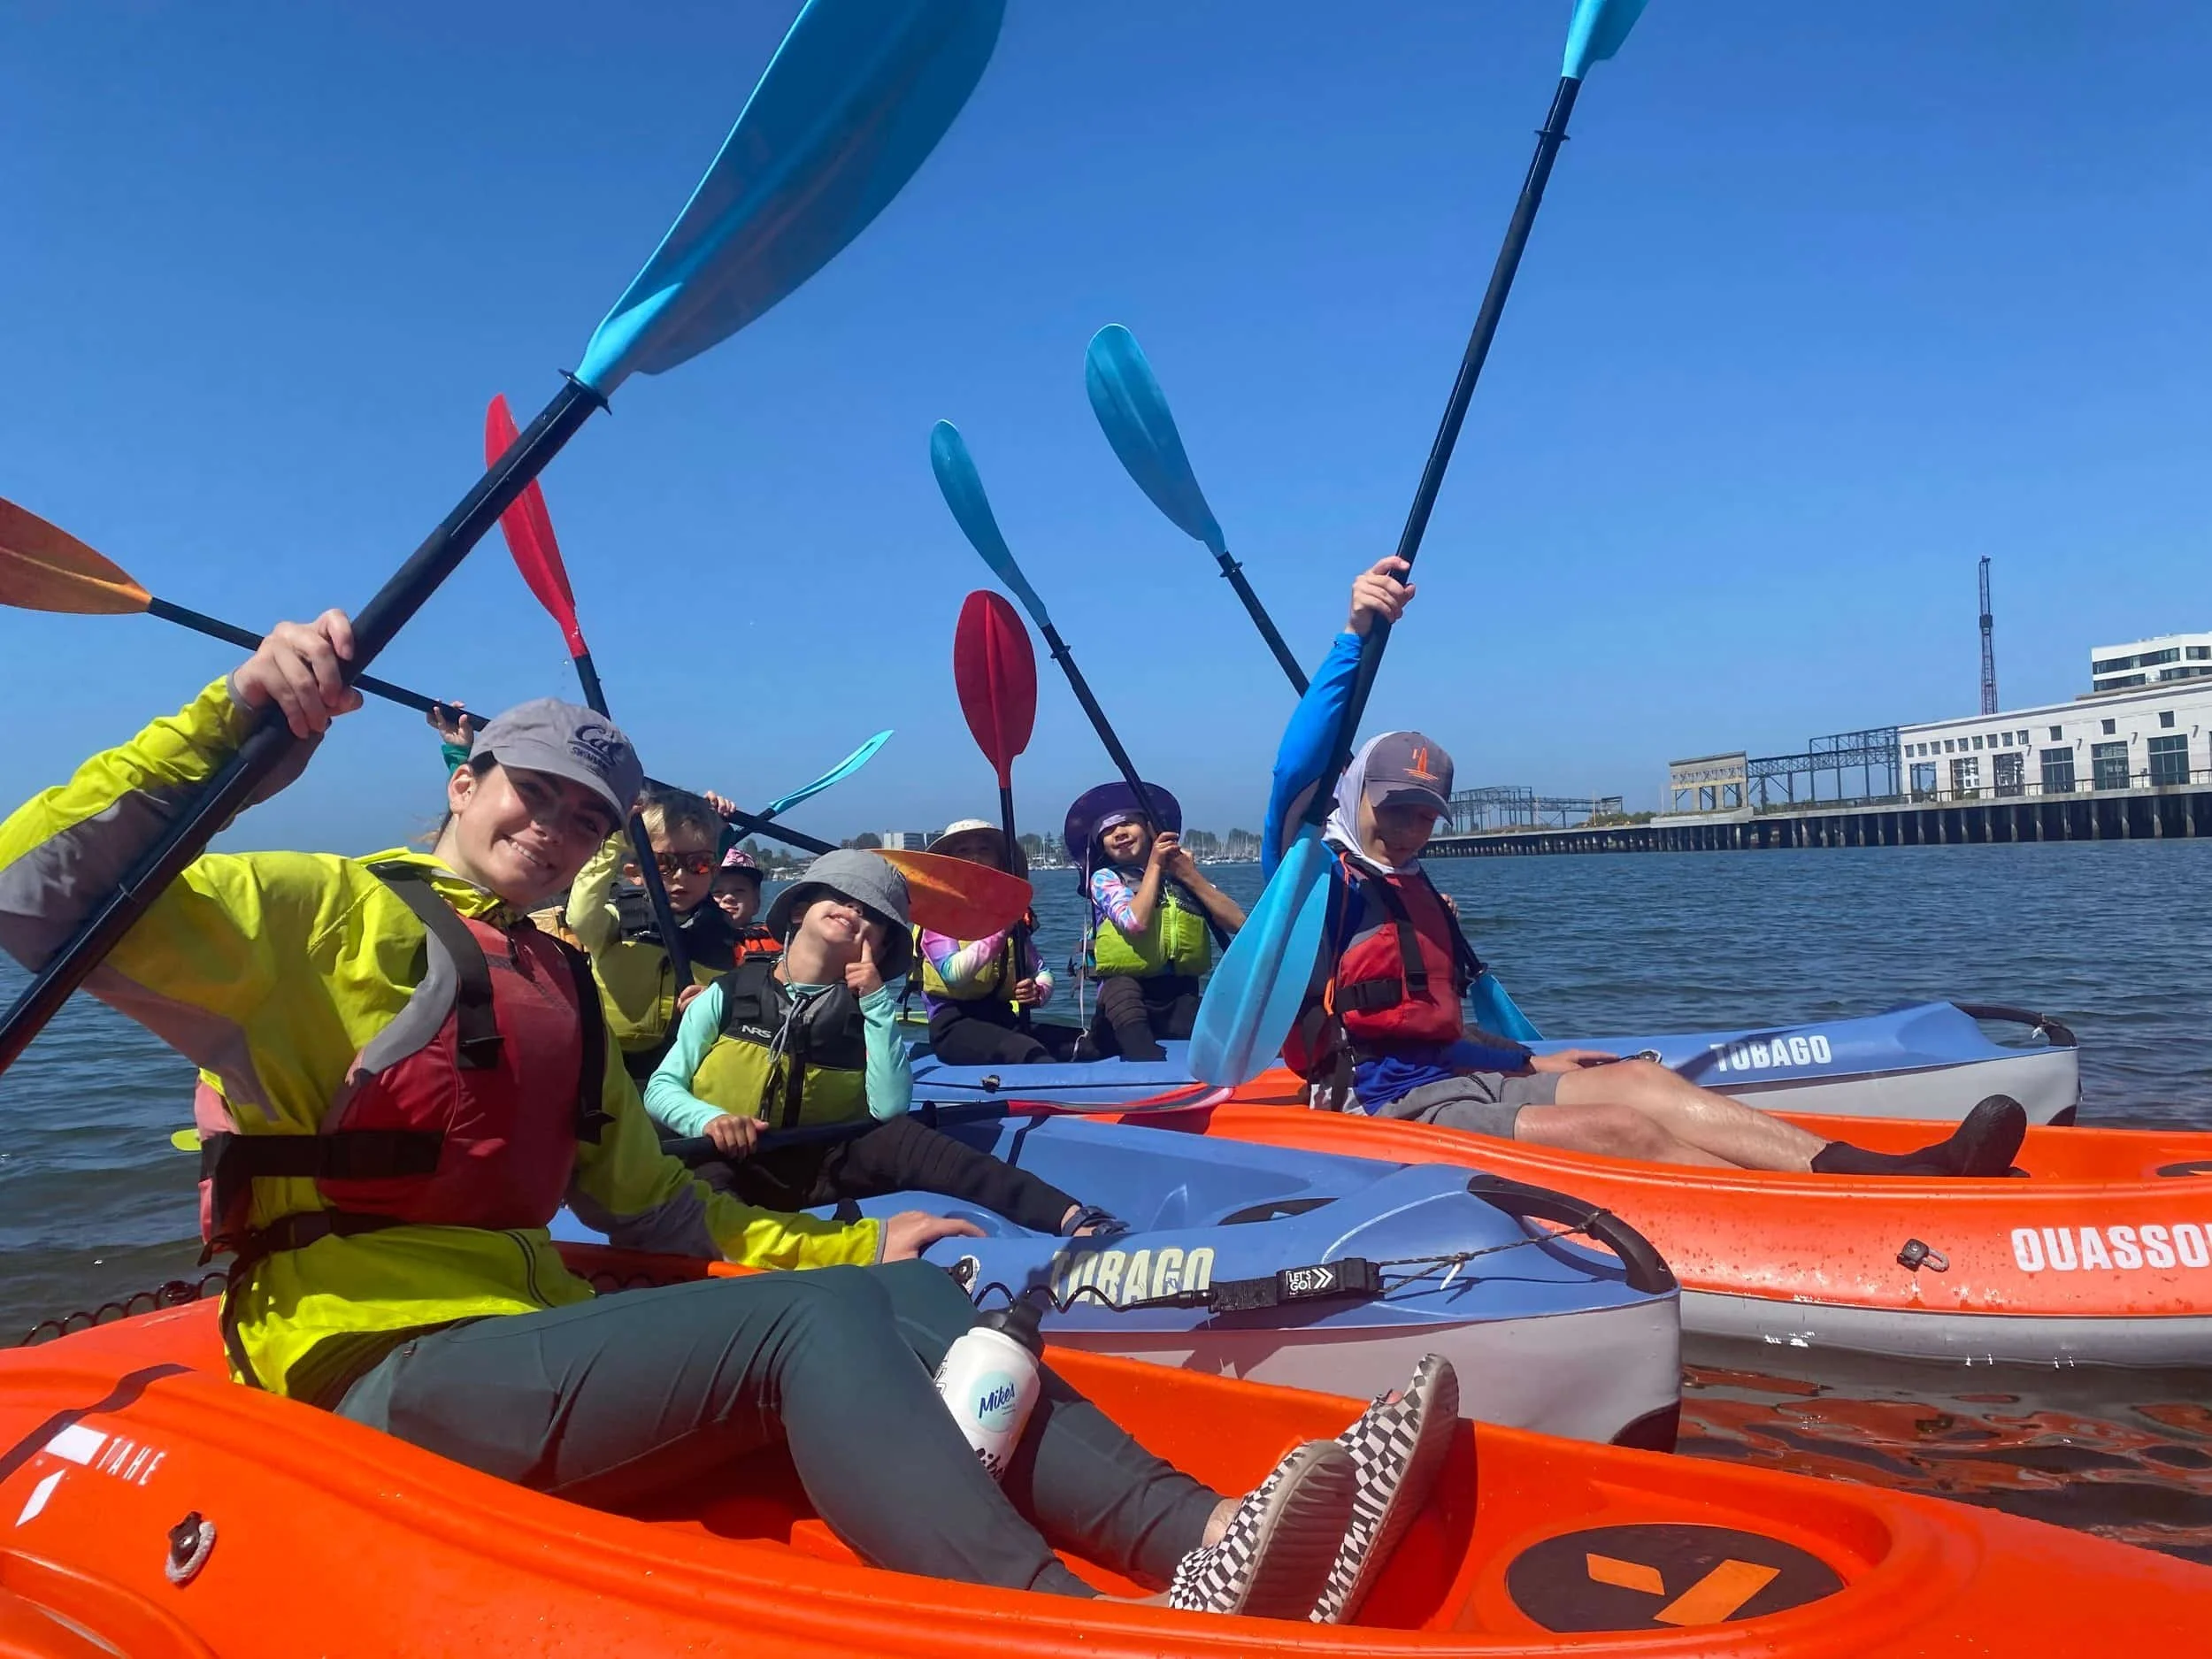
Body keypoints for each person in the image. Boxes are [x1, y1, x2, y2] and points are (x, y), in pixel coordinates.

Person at [0, 611, 1445, 1621]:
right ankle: (1055, 1619)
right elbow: (32, 891)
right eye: (537, 794)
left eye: (584, 819)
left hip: (514, 1337)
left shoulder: (555, 971)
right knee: (805, 1331)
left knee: (929, 1315)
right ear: (466, 780)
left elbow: (667, 1210)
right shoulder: (315, 909)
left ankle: (1208, 1535)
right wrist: (240, 724)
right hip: (369, 1370)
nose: (556, 830)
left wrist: (857, 1261)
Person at [1260, 560, 2028, 1179]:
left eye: (1428, 815)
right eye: (1396, 809)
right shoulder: (1313, 880)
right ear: (1358, 794)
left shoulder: (1415, 886)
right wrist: (1356, 631)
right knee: (1619, 1126)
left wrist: (1526, 1057)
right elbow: (1296, 769)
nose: (1411, 829)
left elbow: (1434, 1031)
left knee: (1645, 1083)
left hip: (1461, 1073)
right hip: (1382, 1109)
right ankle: (1801, 1209)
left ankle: (1888, 1171)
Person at [648, 848, 1125, 1237]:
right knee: (704, 1187)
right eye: (841, 898)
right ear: (798, 910)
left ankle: (1073, 1219)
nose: (855, 911)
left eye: (872, 913)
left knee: (907, 1141)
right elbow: (662, 1089)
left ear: (878, 943)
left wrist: (876, 1002)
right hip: (731, 1159)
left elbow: (889, 1107)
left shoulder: (865, 1008)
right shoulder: (723, 995)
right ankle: (768, 1257)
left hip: (821, 1159)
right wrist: (710, 1121)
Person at [567, 781, 754, 1085]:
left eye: (699, 865)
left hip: (684, 1065)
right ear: (635, 874)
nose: (681, 877)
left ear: (714, 870)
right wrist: (616, 837)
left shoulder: (720, 927)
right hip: (610, 1065)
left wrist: (719, 822)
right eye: (663, 864)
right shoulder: (615, 921)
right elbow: (579, 915)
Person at [1067, 784, 1247, 1064]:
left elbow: (1239, 923)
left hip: (1176, 998)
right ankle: (1144, 1064)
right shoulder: (1104, 880)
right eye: (1108, 831)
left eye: (1128, 823)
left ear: (1150, 830)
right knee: (1122, 990)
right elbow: (1134, 922)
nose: (1120, 833)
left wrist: (1190, 877)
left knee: (1222, 1013)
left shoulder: (1180, 879)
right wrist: (1154, 865)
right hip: (1124, 1009)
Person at [912, 818, 1082, 1066]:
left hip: (1002, 1018)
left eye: (984, 850)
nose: (975, 858)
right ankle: (1061, 1102)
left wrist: (1037, 992)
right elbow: (953, 973)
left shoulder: (1009, 913)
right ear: (948, 862)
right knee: (1029, 1052)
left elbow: (1042, 970)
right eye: (963, 851)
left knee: (1084, 1044)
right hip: (954, 1026)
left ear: (999, 861)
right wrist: (1001, 928)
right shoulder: (939, 915)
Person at [710, 845, 782, 962]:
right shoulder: (692, 942)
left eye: (739, 891)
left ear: (756, 902)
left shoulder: (780, 940)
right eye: (717, 892)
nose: (728, 897)